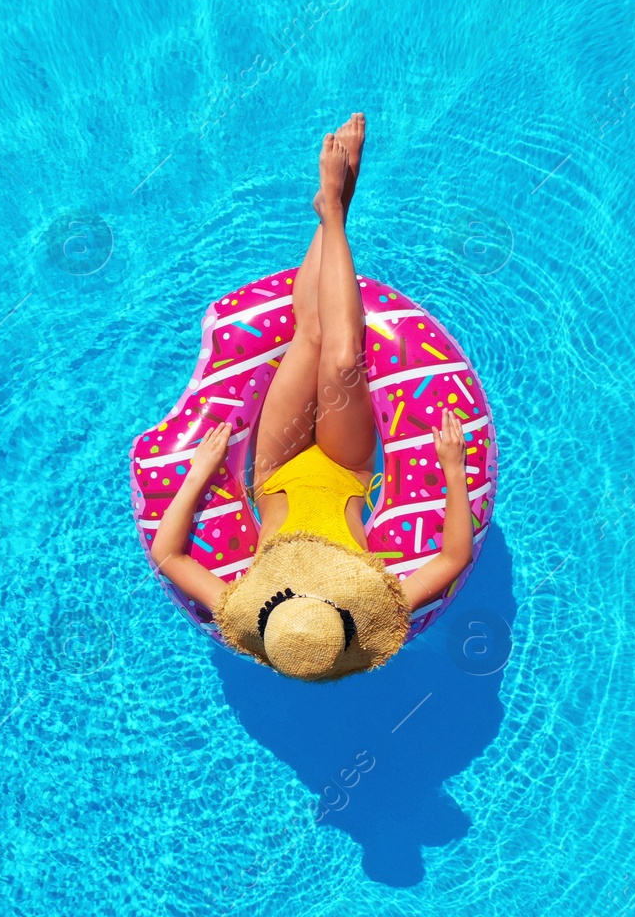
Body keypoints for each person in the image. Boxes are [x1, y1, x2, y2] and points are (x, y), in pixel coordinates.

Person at [148, 114, 474, 680]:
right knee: (344, 357)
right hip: (346, 469)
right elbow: (453, 557)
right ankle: (335, 212)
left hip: (274, 468)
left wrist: (202, 471)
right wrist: (450, 469)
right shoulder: (367, 612)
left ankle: (331, 209)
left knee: (312, 334)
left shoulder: (244, 609)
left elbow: (168, 555)